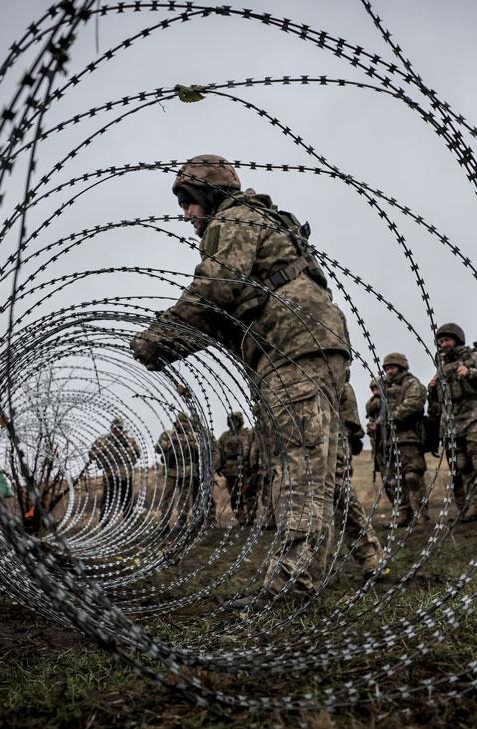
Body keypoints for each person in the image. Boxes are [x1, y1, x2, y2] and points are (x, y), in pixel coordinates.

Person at [131, 154, 350, 600]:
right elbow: (228, 314)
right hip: (310, 341)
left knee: (301, 467)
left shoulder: (231, 219)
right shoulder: (261, 220)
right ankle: (314, 571)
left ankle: (291, 583)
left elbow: (216, 290)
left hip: (291, 345)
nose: (186, 213)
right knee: (314, 465)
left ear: (212, 195)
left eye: (191, 201)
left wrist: (159, 341)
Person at [427, 322, 477, 522]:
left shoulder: (476, 357)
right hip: (452, 424)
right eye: (440, 341)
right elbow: (437, 405)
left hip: (476, 419)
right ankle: (475, 506)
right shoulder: (442, 367)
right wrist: (432, 388)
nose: (443, 344)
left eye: (446, 340)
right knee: (463, 467)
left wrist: (471, 372)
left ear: (457, 340)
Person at [332, 378, 385, 580]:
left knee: (341, 497)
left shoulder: (337, 382)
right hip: (295, 447)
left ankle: (370, 555)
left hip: (332, 441)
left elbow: (352, 425)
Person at [376, 352, 428, 527]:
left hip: (409, 438)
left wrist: (390, 417)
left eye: (392, 367)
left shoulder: (411, 384)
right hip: (389, 442)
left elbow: (413, 405)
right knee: (394, 481)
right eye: (387, 368)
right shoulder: (383, 390)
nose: (389, 371)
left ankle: (422, 516)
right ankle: (403, 515)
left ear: (401, 367)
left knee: (412, 476)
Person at [155, 412, 210, 528]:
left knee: (184, 499)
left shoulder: (194, 436)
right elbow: (158, 448)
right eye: (181, 422)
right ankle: (164, 522)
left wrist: (188, 443)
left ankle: (181, 522)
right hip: (171, 471)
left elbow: (201, 449)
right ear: (177, 423)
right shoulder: (168, 434)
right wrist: (171, 443)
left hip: (187, 472)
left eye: (185, 422)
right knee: (167, 497)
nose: (183, 425)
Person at [89, 418, 140, 522]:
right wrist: (102, 450)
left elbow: (138, 454)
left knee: (127, 502)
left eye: (119, 428)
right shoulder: (103, 440)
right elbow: (91, 454)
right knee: (108, 502)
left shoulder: (130, 440)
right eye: (115, 428)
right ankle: (104, 525)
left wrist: (128, 447)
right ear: (111, 428)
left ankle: (129, 525)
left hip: (126, 476)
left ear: (122, 428)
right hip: (110, 476)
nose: (117, 430)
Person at [215, 411, 257, 526]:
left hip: (245, 468)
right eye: (231, 421)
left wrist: (253, 465)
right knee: (234, 495)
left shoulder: (247, 434)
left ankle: (252, 517)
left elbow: (252, 449)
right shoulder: (225, 436)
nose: (233, 423)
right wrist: (218, 465)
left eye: (236, 420)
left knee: (249, 494)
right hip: (230, 470)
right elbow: (218, 451)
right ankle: (241, 518)